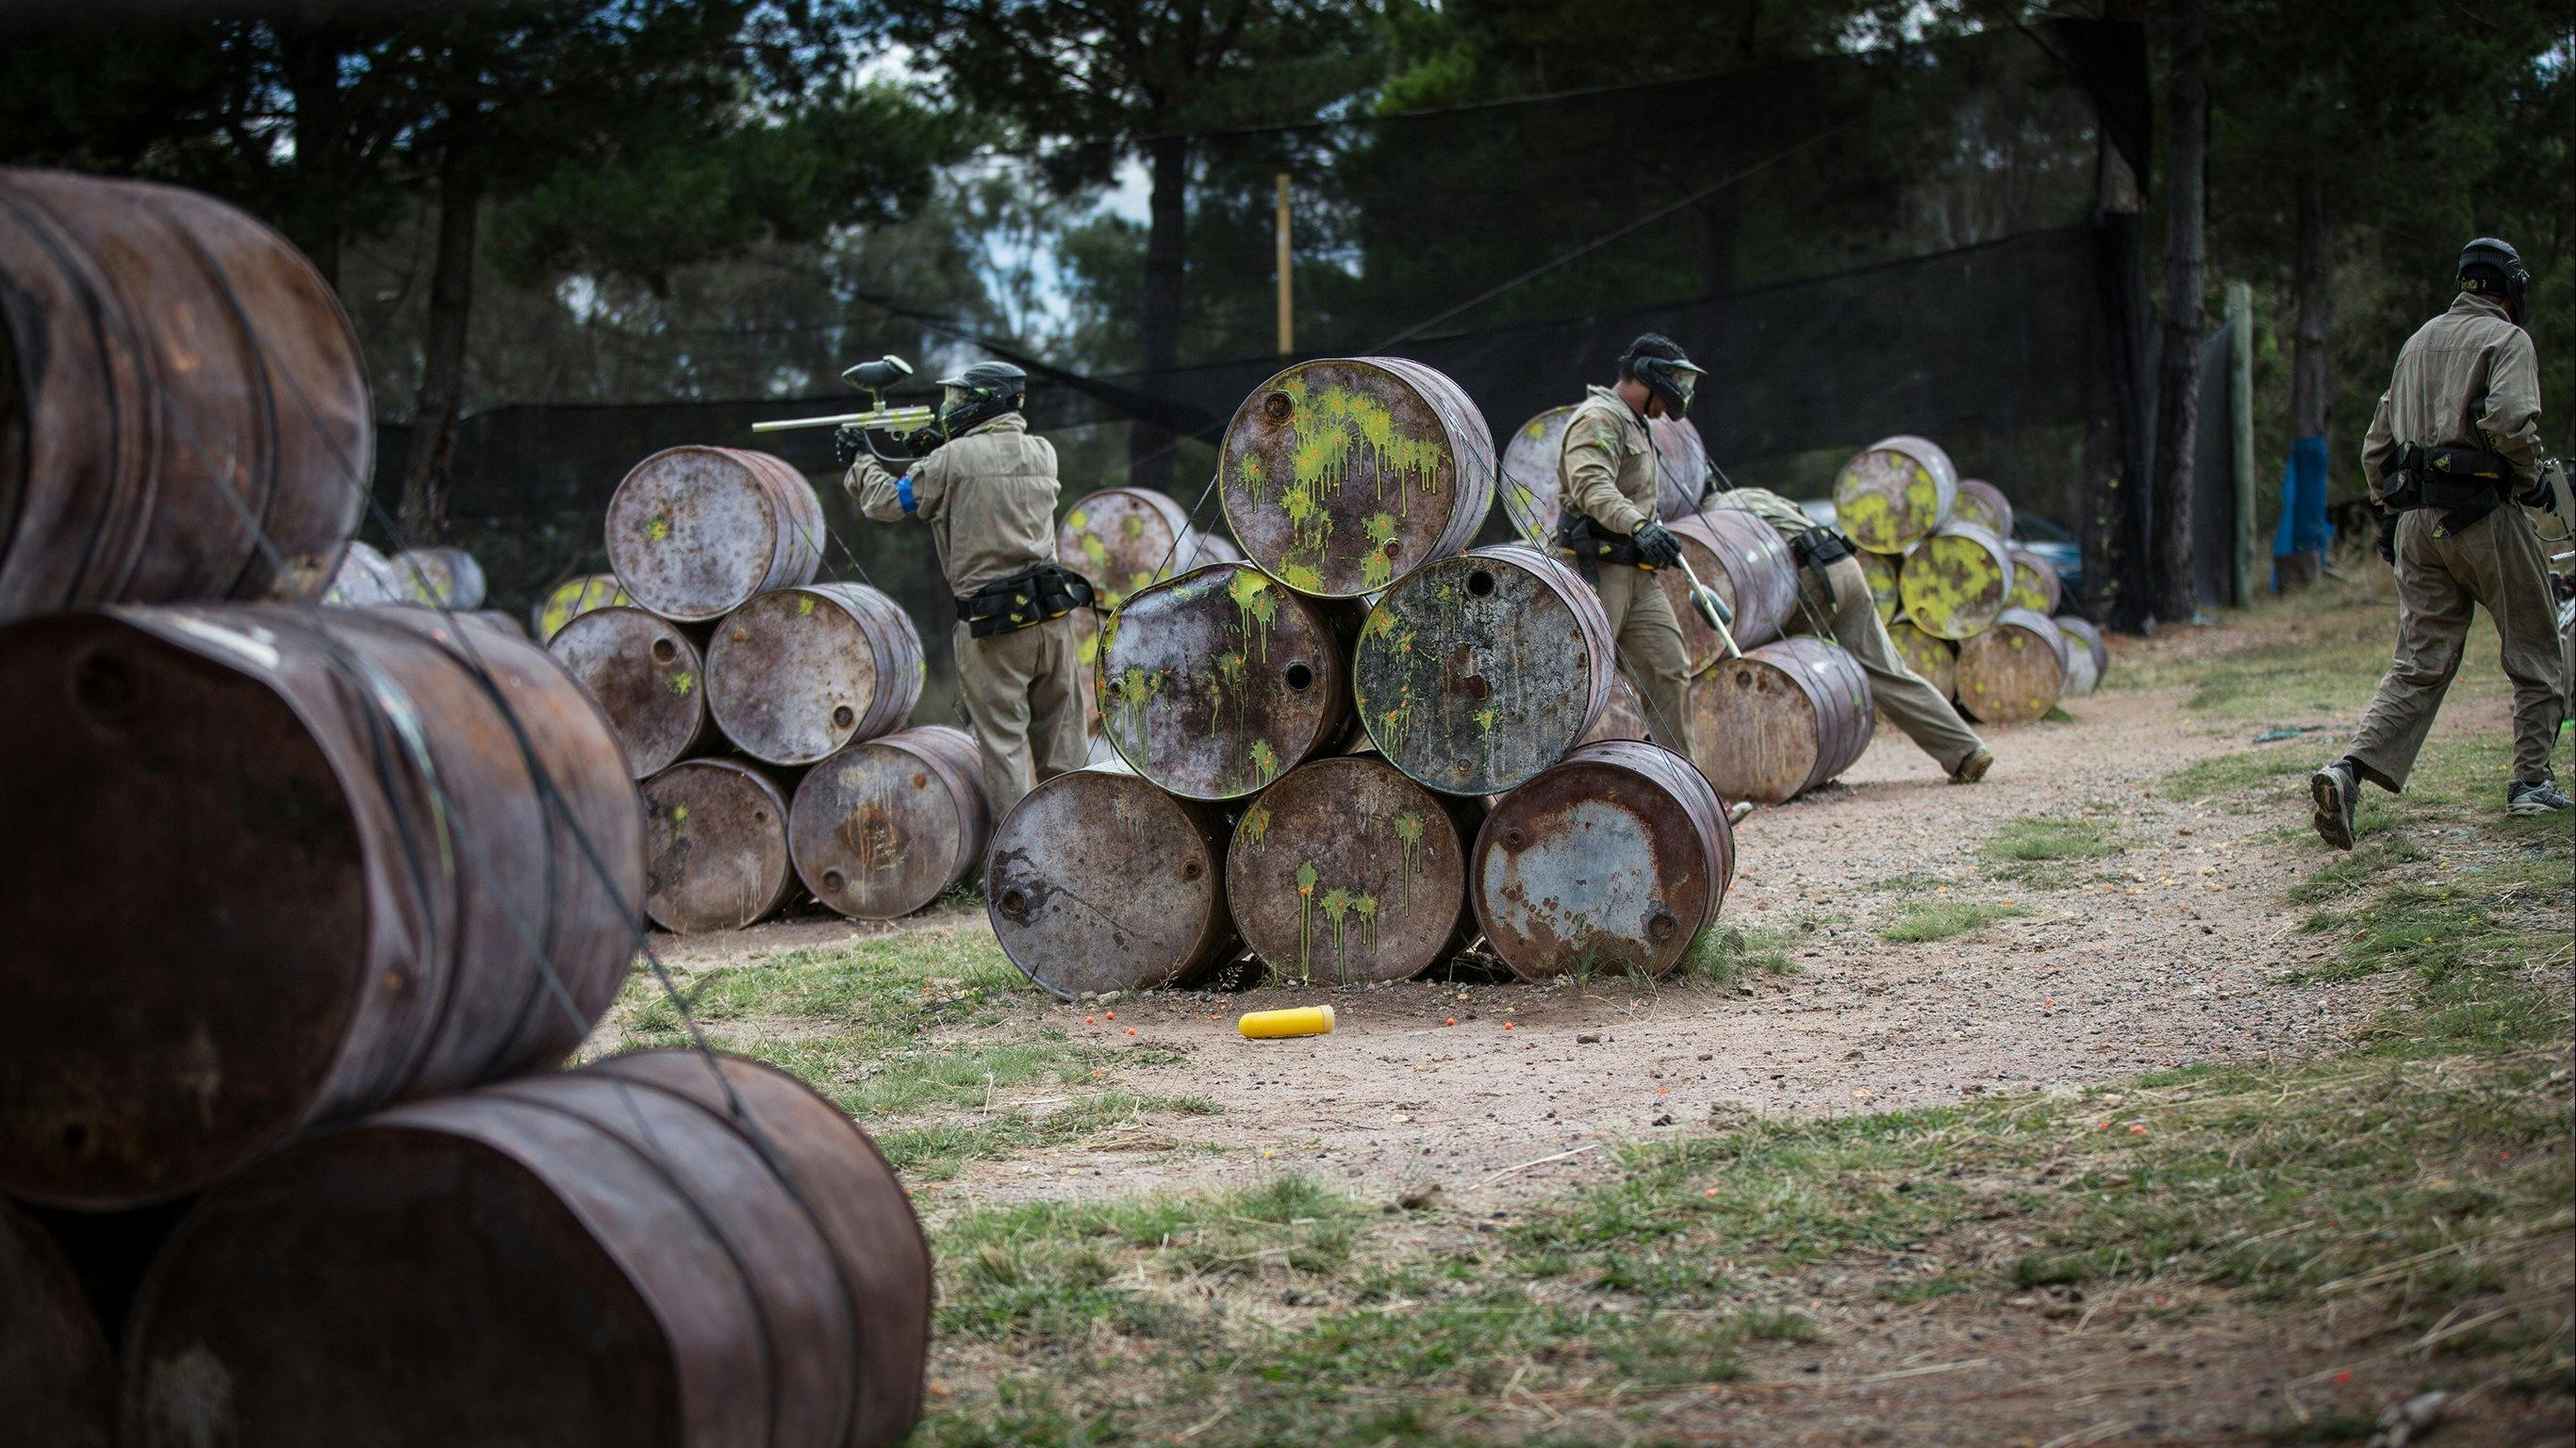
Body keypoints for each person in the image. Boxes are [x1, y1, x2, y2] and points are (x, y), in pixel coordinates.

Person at [2310, 237, 2570, 848]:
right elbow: (2508, 421)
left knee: (2418, 665)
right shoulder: (2508, 340)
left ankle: (2347, 774)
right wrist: (2533, 482)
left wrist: (2387, 512)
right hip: (2484, 516)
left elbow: (2378, 443)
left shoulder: (2416, 344)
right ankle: (2531, 783)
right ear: (2510, 288)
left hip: (2417, 529)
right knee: (2536, 650)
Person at [841, 360, 1090, 814]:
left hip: (994, 628)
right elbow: (989, 481)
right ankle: (1078, 843)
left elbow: (887, 501)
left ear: (985, 401)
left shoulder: (951, 460)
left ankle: (1020, 864)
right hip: (1052, 620)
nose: (951, 408)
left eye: (960, 399)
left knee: (1005, 751)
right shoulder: (1042, 451)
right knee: (1065, 752)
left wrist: (861, 460)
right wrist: (940, 451)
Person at [1708, 480, 1996, 783]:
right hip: (1842, 565)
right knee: (1889, 672)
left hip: (1807, 581)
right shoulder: (1755, 492)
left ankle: (1770, 773)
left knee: (1758, 672)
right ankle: (1966, 751)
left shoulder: (1711, 517)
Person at [1554, 335, 1702, 756]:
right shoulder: (1600, 417)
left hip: (1637, 574)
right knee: (1576, 681)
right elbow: (1590, 486)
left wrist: (1649, 531)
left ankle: (1680, 792)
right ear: (1648, 375)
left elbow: (1632, 492)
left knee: (1669, 670)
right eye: (1676, 380)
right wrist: (1639, 526)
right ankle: (1537, 789)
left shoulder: (1636, 421)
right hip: (1594, 569)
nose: (1681, 392)